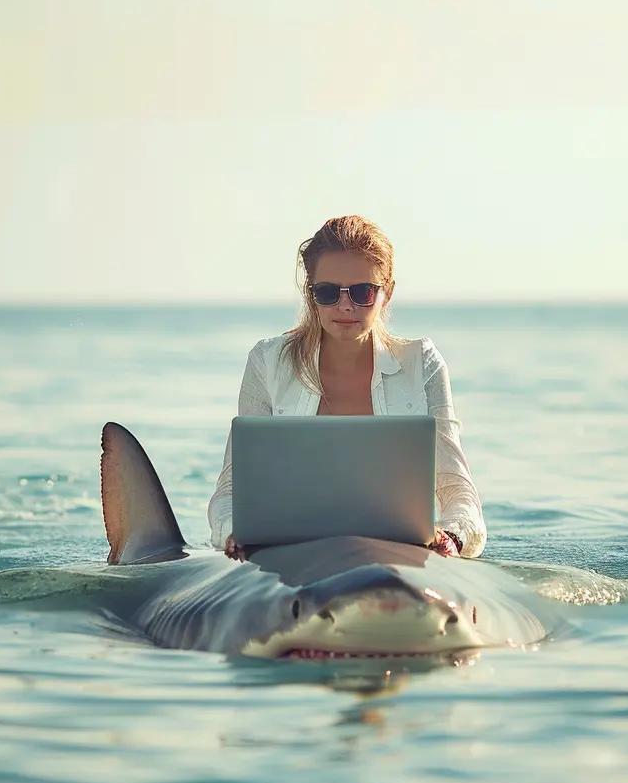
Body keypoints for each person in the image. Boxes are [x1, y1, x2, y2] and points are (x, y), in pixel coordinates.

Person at [208, 215, 487, 561]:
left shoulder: (422, 364)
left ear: (388, 293)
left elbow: (457, 489)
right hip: (291, 559)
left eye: (362, 292)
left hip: (394, 559)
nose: (345, 306)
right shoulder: (267, 362)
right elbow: (230, 491)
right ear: (310, 294)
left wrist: (452, 537)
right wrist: (234, 531)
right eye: (327, 292)